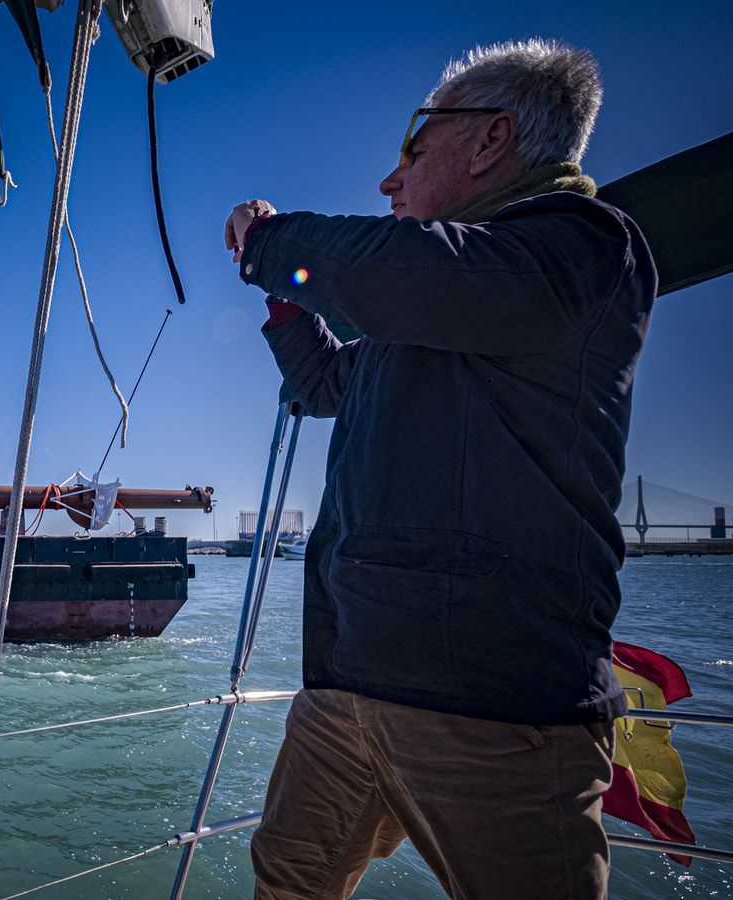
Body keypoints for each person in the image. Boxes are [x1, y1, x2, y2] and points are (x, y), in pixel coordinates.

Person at [223, 39, 656, 899]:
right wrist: (283, 293)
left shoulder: (578, 249)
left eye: (412, 150)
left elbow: (404, 279)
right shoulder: (433, 300)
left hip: (499, 709)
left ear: (492, 141)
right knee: (289, 882)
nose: (390, 180)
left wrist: (272, 244)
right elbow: (322, 383)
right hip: (348, 687)